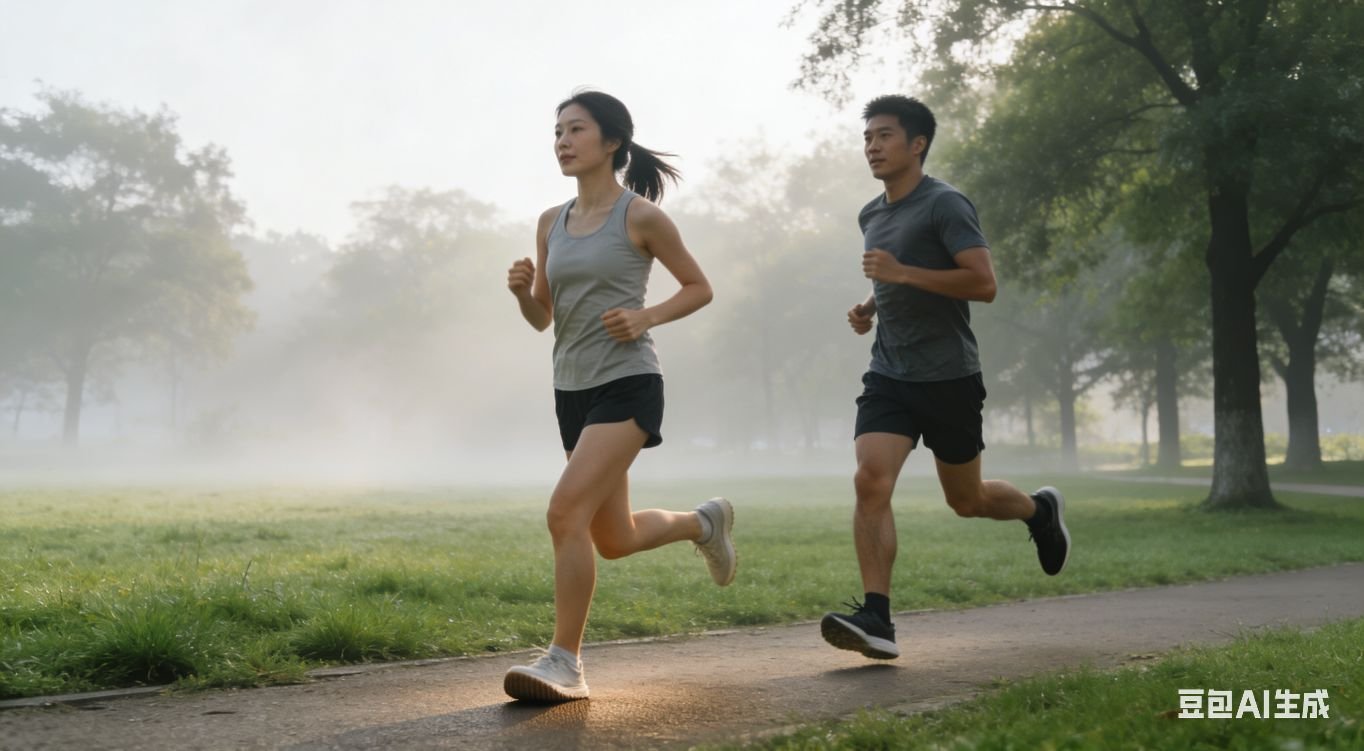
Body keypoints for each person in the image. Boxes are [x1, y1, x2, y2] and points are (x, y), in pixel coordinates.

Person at [503, 90, 736, 701]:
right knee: (615, 537)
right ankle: (703, 524)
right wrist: (525, 293)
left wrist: (646, 318)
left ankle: (565, 662)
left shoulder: (641, 217)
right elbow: (544, 321)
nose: (562, 140)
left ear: (612, 142)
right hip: (571, 390)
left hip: (628, 383)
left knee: (564, 514)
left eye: (576, 129)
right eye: (557, 131)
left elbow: (699, 287)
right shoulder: (549, 221)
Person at [821, 95, 1071, 660]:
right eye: (867, 138)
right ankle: (877, 619)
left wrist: (900, 274)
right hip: (890, 373)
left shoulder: (946, 205)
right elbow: (892, 278)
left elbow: (982, 283)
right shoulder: (872, 213)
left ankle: (1039, 510)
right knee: (870, 480)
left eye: (884, 136)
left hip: (949, 377)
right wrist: (870, 305)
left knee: (967, 499)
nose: (873, 147)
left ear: (917, 144)